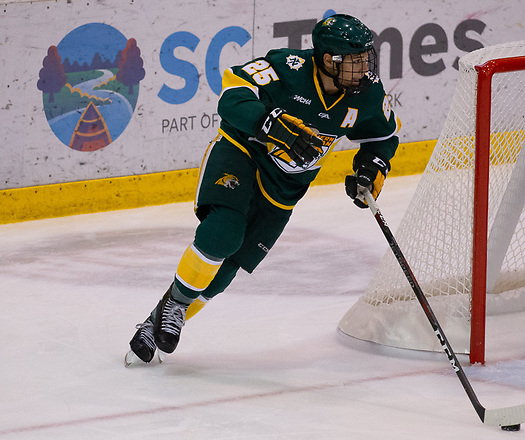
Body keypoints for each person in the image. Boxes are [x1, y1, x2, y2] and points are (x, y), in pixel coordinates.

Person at [125, 14, 401, 366]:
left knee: (227, 270)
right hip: (243, 154)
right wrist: (273, 126)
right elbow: (232, 95)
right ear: (329, 60)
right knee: (223, 234)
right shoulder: (287, 67)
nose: (364, 67)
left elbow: (382, 137)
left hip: (285, 187)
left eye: (366, 58)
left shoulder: (366, 95)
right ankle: (176, 306)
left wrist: (371, 167)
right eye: (355, 60)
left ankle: (156, 321)